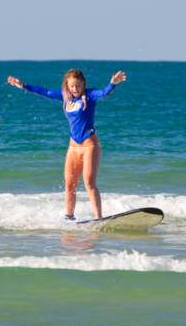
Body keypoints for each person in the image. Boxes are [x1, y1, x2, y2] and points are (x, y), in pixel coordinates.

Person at [7, 69, 127, 220]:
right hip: (73, 148)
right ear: (67, 86)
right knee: (70, 185)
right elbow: (46, 92)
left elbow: (103, 93)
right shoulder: (66, 97)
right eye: (72, 86)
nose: (75, 89)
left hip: (89, 145)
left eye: (78, 85)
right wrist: (23, 85)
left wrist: (112, 84)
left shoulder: (89, 95)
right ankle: (69, 217)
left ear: (83, 84)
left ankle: (99, 218)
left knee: (89, 183)